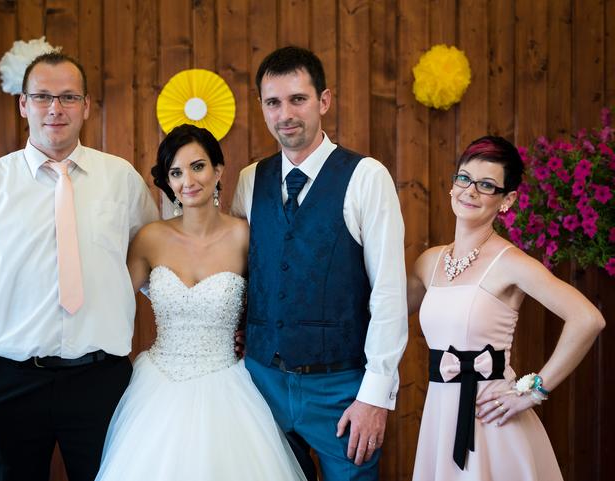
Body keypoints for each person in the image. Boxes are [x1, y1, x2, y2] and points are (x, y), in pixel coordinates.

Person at [0, 52, 159, 481]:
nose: (55, 108)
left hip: (102, 381)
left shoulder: (122, 180)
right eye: (42, 97)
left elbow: (154, 267)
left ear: (86, 106)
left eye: (68, 97)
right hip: (10, 381)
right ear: (23, 104)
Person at [231, 46, 408, 481]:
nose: (285, 114)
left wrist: (374, 396)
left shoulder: (367, 177)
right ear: (262, 107)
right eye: (273, 102)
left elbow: (389, 293)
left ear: (324, 100)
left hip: (341, 389)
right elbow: (243, 273)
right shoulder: (250, 180)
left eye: (298, 99)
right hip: (262, 383)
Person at [94, 123, 306, 481]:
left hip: (228, 385)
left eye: (198, 166)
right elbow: (110, 304)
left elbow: (274, 302)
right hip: (158, 387)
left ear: (218, 170)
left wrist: (250, 336)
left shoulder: (244, 236)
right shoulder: (150, 238)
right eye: (176, 172)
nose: (188, 181)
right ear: (168, 182)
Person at [407, 136, 605, 480]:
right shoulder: (428, 261)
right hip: (440, 416)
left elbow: (588, 319)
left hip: (492, 419)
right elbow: (384, 313)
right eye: (464, 178)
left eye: (486, 185)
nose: (470, 191)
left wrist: (534, 392)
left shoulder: (511, 262)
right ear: (453, 185)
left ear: (507, 200)